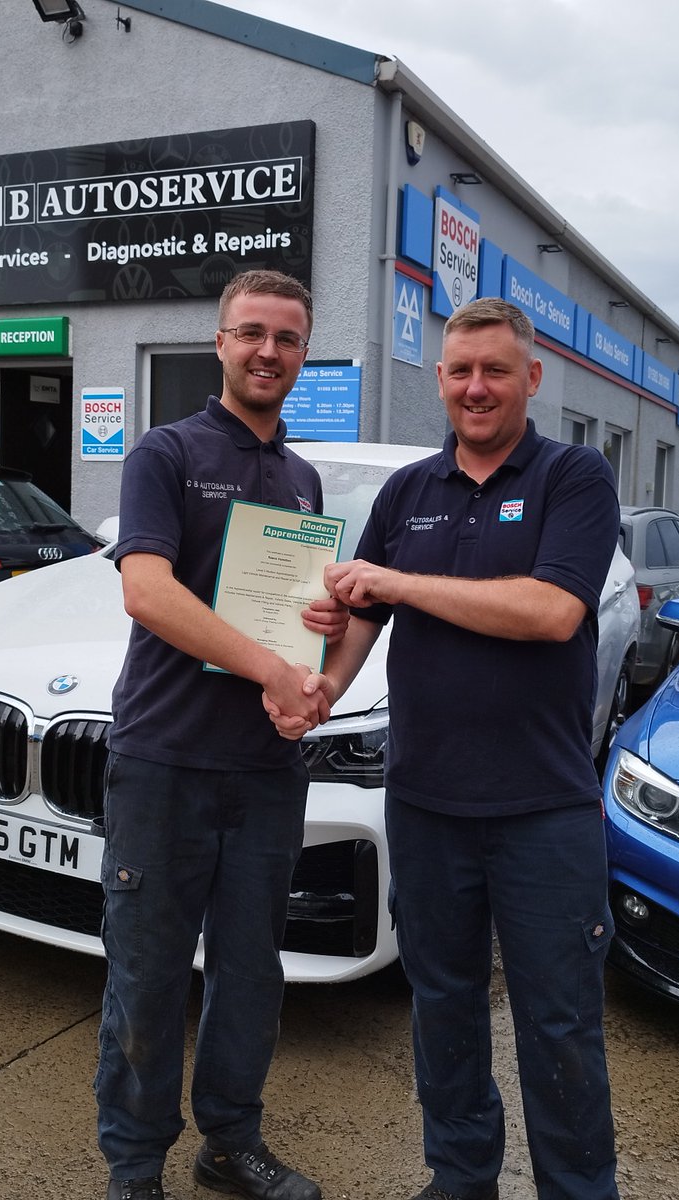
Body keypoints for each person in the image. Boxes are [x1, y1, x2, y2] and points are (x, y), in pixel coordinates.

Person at [272, 298, 622, 1200]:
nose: (476, 388)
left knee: (559, 1024)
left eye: (495, 370)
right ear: (440, 380)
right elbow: (358, 623)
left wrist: (388, 580)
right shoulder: (406, 495)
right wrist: (321, 687)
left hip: (541, 811)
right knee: (444, 1009)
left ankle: (578, 1192)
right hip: (425, 804)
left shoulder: (572, 478)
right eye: (460, 371)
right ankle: (461, 1178)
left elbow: (551, 612)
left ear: (530, 378)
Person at [96, 269, 346, 1200]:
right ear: (221, 343)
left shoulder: (303, 478)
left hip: (268, 768)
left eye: (285, 339)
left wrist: (315, 649)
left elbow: (295, 614)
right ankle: (133, 1167)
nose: (267, 352)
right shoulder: (165, 452)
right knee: (148, 976)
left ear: (302, 353)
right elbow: (147, 590)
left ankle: (229, 1141)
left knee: (250, 975)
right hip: (165, 760)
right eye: (251, 334)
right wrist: (273, 669)